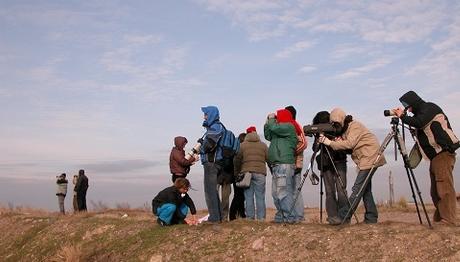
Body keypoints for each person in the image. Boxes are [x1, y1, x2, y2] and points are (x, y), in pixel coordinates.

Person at [394, 91, 459, 226]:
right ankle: (441, 218)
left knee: (444, 187)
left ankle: (449, 220)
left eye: (408, 106)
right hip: (435, 156)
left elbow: (419, 122)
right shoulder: (421, 113)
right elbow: (421, 126)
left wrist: (402, 116)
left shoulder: (429, 108)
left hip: (443, 152)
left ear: (413, 102)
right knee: (435, 191)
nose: (408, 109)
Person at [319, 108, 386, 224]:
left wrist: (330, 143)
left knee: (357, 189)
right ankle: (371, 217)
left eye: (336, 124)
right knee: (365, 190)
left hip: (370, 157)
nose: (335, 127)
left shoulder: (354, 126)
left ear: (341, 120)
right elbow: (350, 149)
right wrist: (336, 141)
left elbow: (350, 144)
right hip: (366, 159)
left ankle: (344, 217)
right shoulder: (345, 130)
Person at [312, 111, 348, 225]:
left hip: (337, 160)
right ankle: (340, 217)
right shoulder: (321, 132)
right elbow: (315, 148)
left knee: (333, 191)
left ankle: (337, 217)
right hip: (329, 162)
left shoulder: (336, 129)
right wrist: (319, 138)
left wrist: (329, 140)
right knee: (338, 190)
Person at [264, 109, 298, 223]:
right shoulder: (279, 131)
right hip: (276, 164)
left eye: (277, 117)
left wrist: (272, 120)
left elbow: (273, 128)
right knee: (275, 193)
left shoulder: (289, 127)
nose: (276, 119)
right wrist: (267, 122)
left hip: (284, 164)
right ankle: (281, 217)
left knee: (283, 192)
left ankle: (289, 218)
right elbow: (268, 135)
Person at [234, 126, 269, 221]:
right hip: (260, 173)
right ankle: (261, 218)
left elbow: (237, 160)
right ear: (256, 133)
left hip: (246, 173)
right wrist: (271, 170)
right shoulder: (263, 145)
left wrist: (237, 172)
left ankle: (250, 217)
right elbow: (269, 159)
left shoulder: (242, 145)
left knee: (248, 196)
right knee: (260, 196)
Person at [199, 105, 227, 223]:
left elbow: (210, 144)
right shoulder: (215, 127)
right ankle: (218, 216)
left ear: (211, 114)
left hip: (212, 162)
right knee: (212, 190)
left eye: (206, 114)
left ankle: (214, 218)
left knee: (209, 190)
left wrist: (201, 147)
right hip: (214, 162)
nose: (204, 116)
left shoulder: (215, 127)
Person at [285, 105, 308, 222]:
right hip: (288, 163)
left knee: (296, 191)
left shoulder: (296, 125)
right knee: (288, 190)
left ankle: (299, 216)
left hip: (296, 163)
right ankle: (292, 216)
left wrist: (291, 152)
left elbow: (304, 143)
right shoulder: (286, 126)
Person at [229, 132, 247, 220]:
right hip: (238, 175)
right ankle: (235, 215)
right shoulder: (240, 149)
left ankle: (238, 214)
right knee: (239, 196)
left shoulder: (235, 148)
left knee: (239, 195)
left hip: (235, 175)